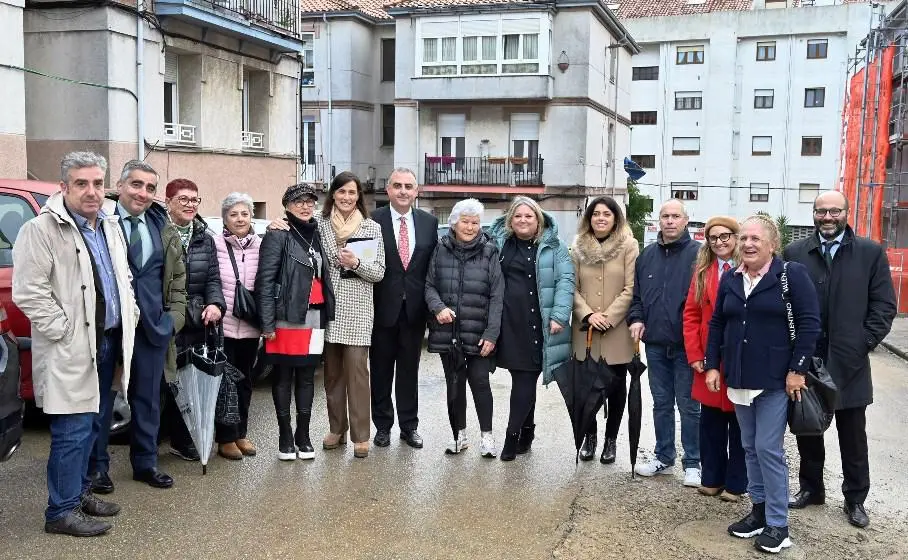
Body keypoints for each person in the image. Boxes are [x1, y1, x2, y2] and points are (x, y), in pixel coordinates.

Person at [13, 151, 138, 536]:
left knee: (94, 425)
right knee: (71, 431)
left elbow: (121, 279)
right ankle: (60, 512)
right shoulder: (42, 230)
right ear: (63, 186)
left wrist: (128, 313)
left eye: (98, 183)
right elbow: (29, 293)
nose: (92, 191)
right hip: (73, 346)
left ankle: (79, 494)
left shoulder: (108, 225)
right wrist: (65, 331)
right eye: (82, 183)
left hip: (107, 343)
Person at [705, 215, 820, 554]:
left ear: (772, 244)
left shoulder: (790, 275)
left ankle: (778, 524)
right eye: (744, 239)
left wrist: (797, 369)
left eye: (756, 239)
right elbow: (716, 324)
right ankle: (757, 510)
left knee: (769, 449)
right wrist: (713, 366)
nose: (748, 244)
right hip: (739, 378)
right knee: (750, 447)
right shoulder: (732, 278)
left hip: (775, 381)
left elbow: (810, 324)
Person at [784, 191, 896, 528]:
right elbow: (786, 302)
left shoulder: (869, 252)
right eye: (821, 211)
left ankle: (855, 499)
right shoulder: (795, 253)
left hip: (850, 362)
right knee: (808, 428)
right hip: (808, 360)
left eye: (835, 210)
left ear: (847, 212)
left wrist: (862, 342)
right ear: (813, 214)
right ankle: (811, 489)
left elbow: (884, 306)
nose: (828, 217)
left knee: (853, 435)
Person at [96, 160, 187, 492]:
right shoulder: (101, 223)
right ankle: (97, 468)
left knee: (147, 400)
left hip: (152, 328)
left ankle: (146, 463)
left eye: (150, 187)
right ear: (120, 186)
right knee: (103, 400)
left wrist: (172, 320)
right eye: (136, 184)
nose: (143, 193)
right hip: (110, 327)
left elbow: (178, 279)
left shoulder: (161, 225)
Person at [489, 196, 574, 461]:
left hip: (539, 322)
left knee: (525, 379)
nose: (523, 220)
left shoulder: (554, 246)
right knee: (521, 378)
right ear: (510, 220)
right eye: (518, 216)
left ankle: (511, 438)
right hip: (508, 322)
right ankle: (527, 430)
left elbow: (566, 279)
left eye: (529, 216)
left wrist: (560, 314)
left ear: (538, 220)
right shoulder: (499, 244)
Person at [256, 184, 336, 460]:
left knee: (306, 376)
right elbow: (264, 281)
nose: (305, 206)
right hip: (285, 317)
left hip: (315, 316)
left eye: (310, 202)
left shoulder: (317, 233)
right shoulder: (278, 234)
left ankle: (303, 435)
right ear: (287, 205)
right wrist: (266, 323)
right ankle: (285, 437)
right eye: (298, 201)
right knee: (283, 376)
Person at [627, 199, 701, 485]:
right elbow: (637, 297)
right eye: (665, 216)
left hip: (687, 347)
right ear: (659, 220)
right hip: (655, 344)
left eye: (675, 216)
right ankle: (664, 457)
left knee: (689, 405)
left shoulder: (699, 255)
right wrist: (636, 319)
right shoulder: (646, 256)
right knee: (660, 403)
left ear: (686, 220)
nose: (670, 221)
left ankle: (693, 463)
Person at [425, 198, 504, 457]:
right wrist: (438, 308)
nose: (470, 227)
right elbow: (429, 285)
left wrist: (492, 333)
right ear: (454, 223)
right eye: (465, 222)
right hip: (450, 332)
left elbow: (497, 295)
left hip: (480, 332)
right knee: (455, 384)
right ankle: (459, 436)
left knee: (480, 382)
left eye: (475, 222)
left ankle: (487, 437)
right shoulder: (440, 249)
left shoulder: (490, 251)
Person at [370, 168, 438, 450]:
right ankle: (383, 426)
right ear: (388, 190)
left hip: (414, 312)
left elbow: (432, 267)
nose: (403, 191)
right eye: (397, 185)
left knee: (409, 373)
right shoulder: (372, 221)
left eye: (408, 186)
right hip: (382, 309)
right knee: (381, 371)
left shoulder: (429, 223)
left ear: (416, 191)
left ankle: (409, 427)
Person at [318, 172, 385, 459]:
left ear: (359, 197)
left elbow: (378, 273)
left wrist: (356, 262)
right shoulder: (318, 225)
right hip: (327, 308)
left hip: (358, 310)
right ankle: (337, 428)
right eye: (342, 191)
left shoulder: (371, 228)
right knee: (332, 374)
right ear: (333, 194)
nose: (347, 197)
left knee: (357, 373)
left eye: (353, 193)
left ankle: (361, 435)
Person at [682, 216, 747, 501]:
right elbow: (691, 314)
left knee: (740, 424)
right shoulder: (702, 270)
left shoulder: (750, 268)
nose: (719, 242)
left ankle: (736, 483)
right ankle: (711, 477)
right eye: (713, 238)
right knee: (710, 422)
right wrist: (696, 354)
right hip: (709, 357)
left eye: (725, 236)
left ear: (736, 237)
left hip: (740, 356)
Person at [570, 196, 639, 464]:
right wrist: (588, 314)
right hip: (584, 329)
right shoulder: (577, 247)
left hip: (616, 329)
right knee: (585, 387)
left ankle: (611, 440)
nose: (601, 218)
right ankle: (590, 436)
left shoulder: (629, 246)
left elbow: (631, 288)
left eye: (606, 214)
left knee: (615, 387)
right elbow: (571, 286)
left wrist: (608, 316)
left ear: (615, 219)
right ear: (589, 218)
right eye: (596, 214)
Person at [162, 178, 225, 462]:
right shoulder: (159, 232)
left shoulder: (204, 237)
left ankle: (183, 439)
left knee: (190, 381)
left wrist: (215, 303)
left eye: (194, 200)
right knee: (164, 383)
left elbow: (212, 278)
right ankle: (152, 444)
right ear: (169, 202)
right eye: (183, 199)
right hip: (166, 319)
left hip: (198, 321)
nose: (190, 205)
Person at [213, 193, 263, 460]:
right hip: (224, 326)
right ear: (225, 218)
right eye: (234, 214)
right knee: (225, 383)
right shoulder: (215, 244)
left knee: (245, 381)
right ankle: (225, 438)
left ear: (251, 216)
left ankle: (241, 432)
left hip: (251, 326)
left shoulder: (261, 245)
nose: (240, 219)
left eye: (244, 213)